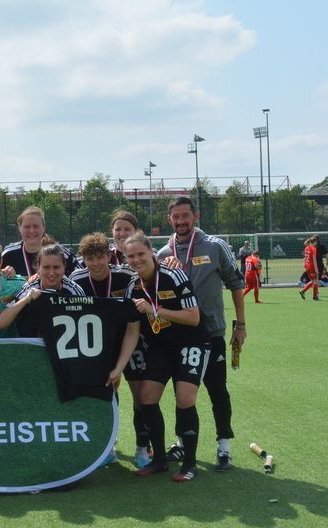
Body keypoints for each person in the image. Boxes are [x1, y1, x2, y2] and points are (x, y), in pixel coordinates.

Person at [155, 197, 245, 472]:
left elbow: (236, 284)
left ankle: (224, 448)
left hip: (212, 333)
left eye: (186, 215)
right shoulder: (161, 254)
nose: (181, 221)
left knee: (217, 390)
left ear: (196, 216)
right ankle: (182, 443)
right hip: (176, 336)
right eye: (176, 217)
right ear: (169, 219)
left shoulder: (216, 247)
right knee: (181, 393)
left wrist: (240, 326)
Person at [124, 233, 210, 482]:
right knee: (146, 397)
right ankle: (160, 459)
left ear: (151, 251)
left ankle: (190, 464)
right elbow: (132, 332)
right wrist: (118, 366)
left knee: (185, 398)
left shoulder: (174, 274)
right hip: (160, 347)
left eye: (141, 254)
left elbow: (193, 317)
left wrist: (155, 309)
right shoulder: (133, 286)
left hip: (191, 342)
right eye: (131, 256)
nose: (136, 260)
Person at [70, 232, 151, 467]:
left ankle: (143, 447)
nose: (95, 263)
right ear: (83, 258)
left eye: (100, 257)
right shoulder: (77, 279)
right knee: (105, 395)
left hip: (131, 340)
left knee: (140, 396)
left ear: (109, 256)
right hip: (98, 347)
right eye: (89, 258)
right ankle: (108, 445)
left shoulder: (126, 276)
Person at [1, 206, 75, 278]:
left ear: (44, 228)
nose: (32, 231)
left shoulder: (60, 253)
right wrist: (4, 272)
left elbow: (79, 277)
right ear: (20, 228)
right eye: (27, 227)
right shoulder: (8, 254)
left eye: (36, 226)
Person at [299, 236, 321, 301]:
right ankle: (314, 296)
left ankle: (311, 294)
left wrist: (304, 264)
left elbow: (305, 257)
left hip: (307, 265)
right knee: (315, 281)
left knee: (313, 281)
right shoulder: (313, 248)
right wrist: (316, 269)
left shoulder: (306, 248)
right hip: (312, 266)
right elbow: (314, 259)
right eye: (316, 242)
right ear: (315, 242)